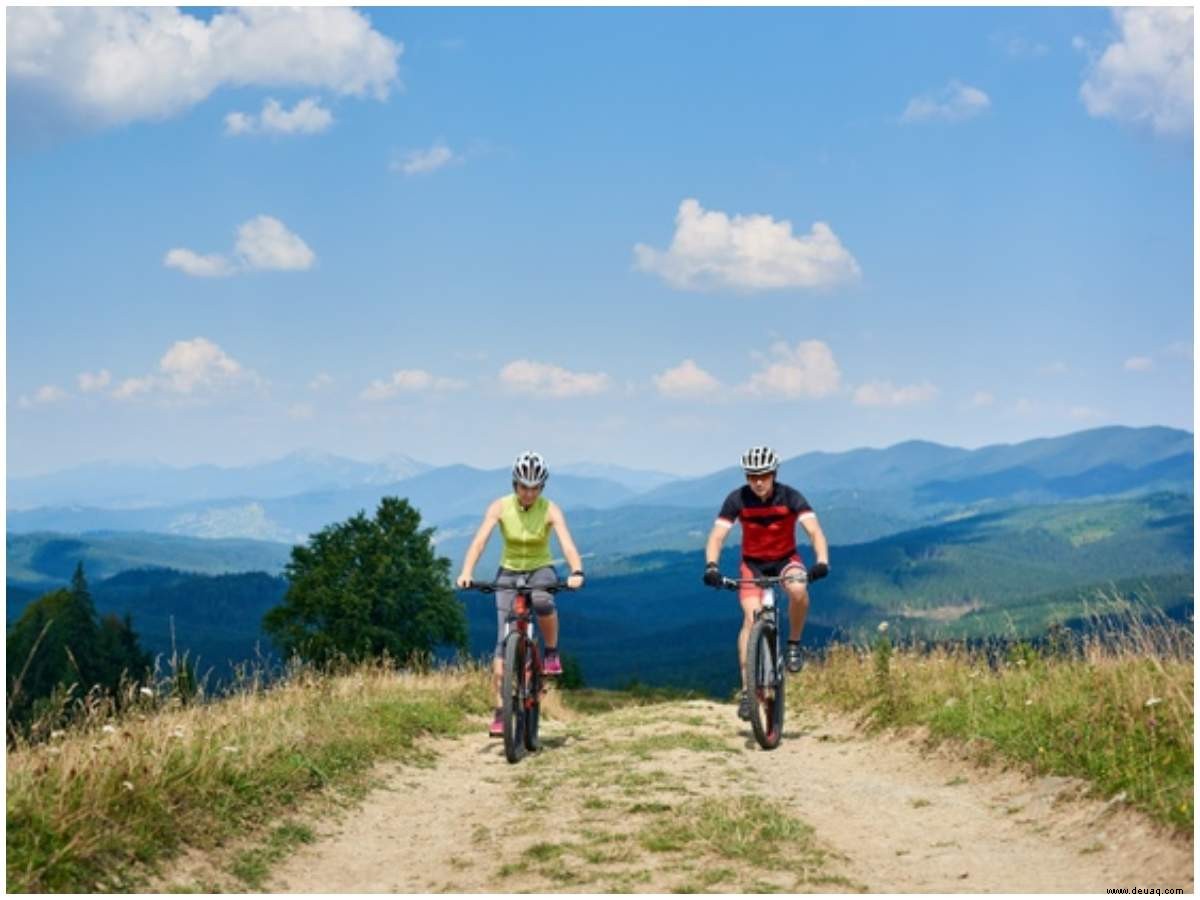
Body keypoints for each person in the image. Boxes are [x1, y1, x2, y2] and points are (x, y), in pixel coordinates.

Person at [456, 450, 585, 737]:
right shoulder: (500, 507)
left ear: (542, 487)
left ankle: (550, 652)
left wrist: (576, 571)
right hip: (509, 571)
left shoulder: (550, 509)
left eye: (535, 488)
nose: (529, 493)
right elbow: (479, 541)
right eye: (524, 487)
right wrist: (467, 571)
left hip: (541, 569)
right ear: (515, 485)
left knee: (541, 599)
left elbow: (567, 544)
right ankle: (501, 710)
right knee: (503, 640)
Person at [702, 445, 829, 720]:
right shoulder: (737, 499)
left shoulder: (791, 497)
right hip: (753, 565)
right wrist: (711, 566)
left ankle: (793, 644)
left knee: (798, 589)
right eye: (752, 476)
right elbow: (717, 537)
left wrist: (821, 561)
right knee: (750, 619)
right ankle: (748, 692)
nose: (758, 481)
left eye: (764, 475)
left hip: (786, 559)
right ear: (747, 477)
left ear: (774, 474)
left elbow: (814, 531)